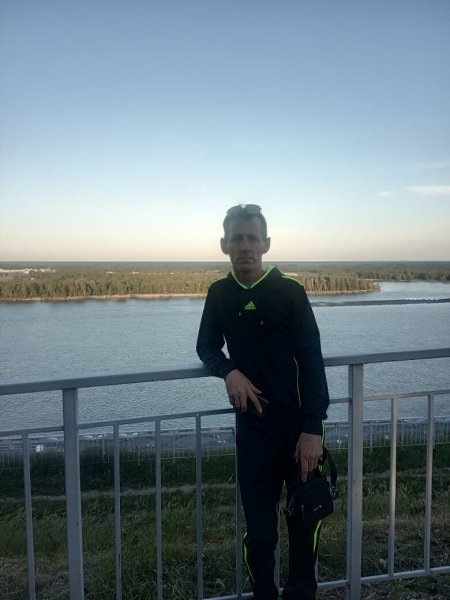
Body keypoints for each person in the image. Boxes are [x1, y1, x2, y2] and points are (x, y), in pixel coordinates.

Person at [196, 204, 330, 600]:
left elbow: (312, 360)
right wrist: (228, 371)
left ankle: (301, 594)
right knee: (259, 534)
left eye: (252, 238)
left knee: (305, 522)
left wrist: (313, 429)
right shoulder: (219, 294)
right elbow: (206, 346)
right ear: (224, 245)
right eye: (237, 239)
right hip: (253, 430)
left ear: (266, 244)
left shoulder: (290, 292)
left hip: (298, 430)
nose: (245, 246)